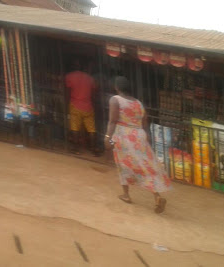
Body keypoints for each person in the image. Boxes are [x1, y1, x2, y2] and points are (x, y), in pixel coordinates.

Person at [104, 76, 171, 213]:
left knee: (122, 164)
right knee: (144, 166)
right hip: (139, 136)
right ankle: (157, 196)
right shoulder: (139, 103)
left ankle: (126, 194)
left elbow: (112, 121)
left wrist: (107, 138)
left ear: (117, 87)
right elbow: (145, 123)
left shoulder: (115, 100)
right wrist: (147, 139)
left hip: (123, 135)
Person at [66, 58, 99, 155]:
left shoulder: (69, 76)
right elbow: (94, 92)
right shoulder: (90, 78)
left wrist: (66, 103)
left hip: (75, 105)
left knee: (75, 128)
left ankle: (75, 149)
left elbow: (67, 92)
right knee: (91, 129)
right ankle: (93, 149)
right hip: (88, 106)